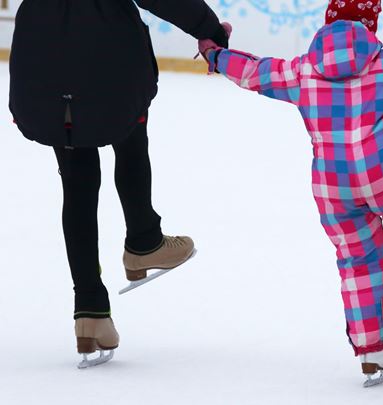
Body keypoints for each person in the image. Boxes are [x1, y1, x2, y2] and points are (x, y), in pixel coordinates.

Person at [197, 0, 383, 387]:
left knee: (359, 259)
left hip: (334, 183)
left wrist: (216, 54)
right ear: (370, 26)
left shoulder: (302, 70)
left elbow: (255, 72)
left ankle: (373, 352)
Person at [9, 0, 229, 368]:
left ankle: (90, 311)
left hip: (42, 55)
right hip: (107, 57)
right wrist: (211, 30)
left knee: (76, 179)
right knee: (128, 131)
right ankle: (144, 240)